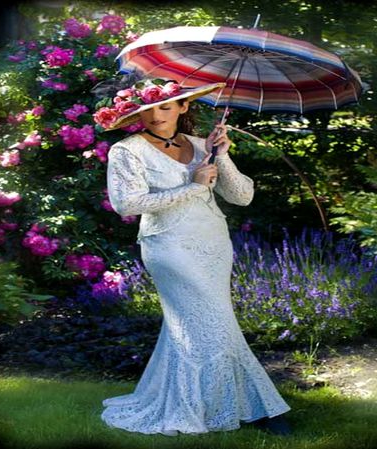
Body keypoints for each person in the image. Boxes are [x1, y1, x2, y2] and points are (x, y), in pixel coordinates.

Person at [95, 77, 292, 436]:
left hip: (213, 243)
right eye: (148, 109)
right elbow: (127, 203)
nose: (157, 115)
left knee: (197, 326)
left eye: (165, 106)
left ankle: (213, 401)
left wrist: (223, 155)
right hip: (168, 246)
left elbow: (242, 196)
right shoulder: (127, 151)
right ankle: (263, 408)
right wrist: (193, 186)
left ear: (183, 107)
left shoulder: (206, 146)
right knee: (212, 321)